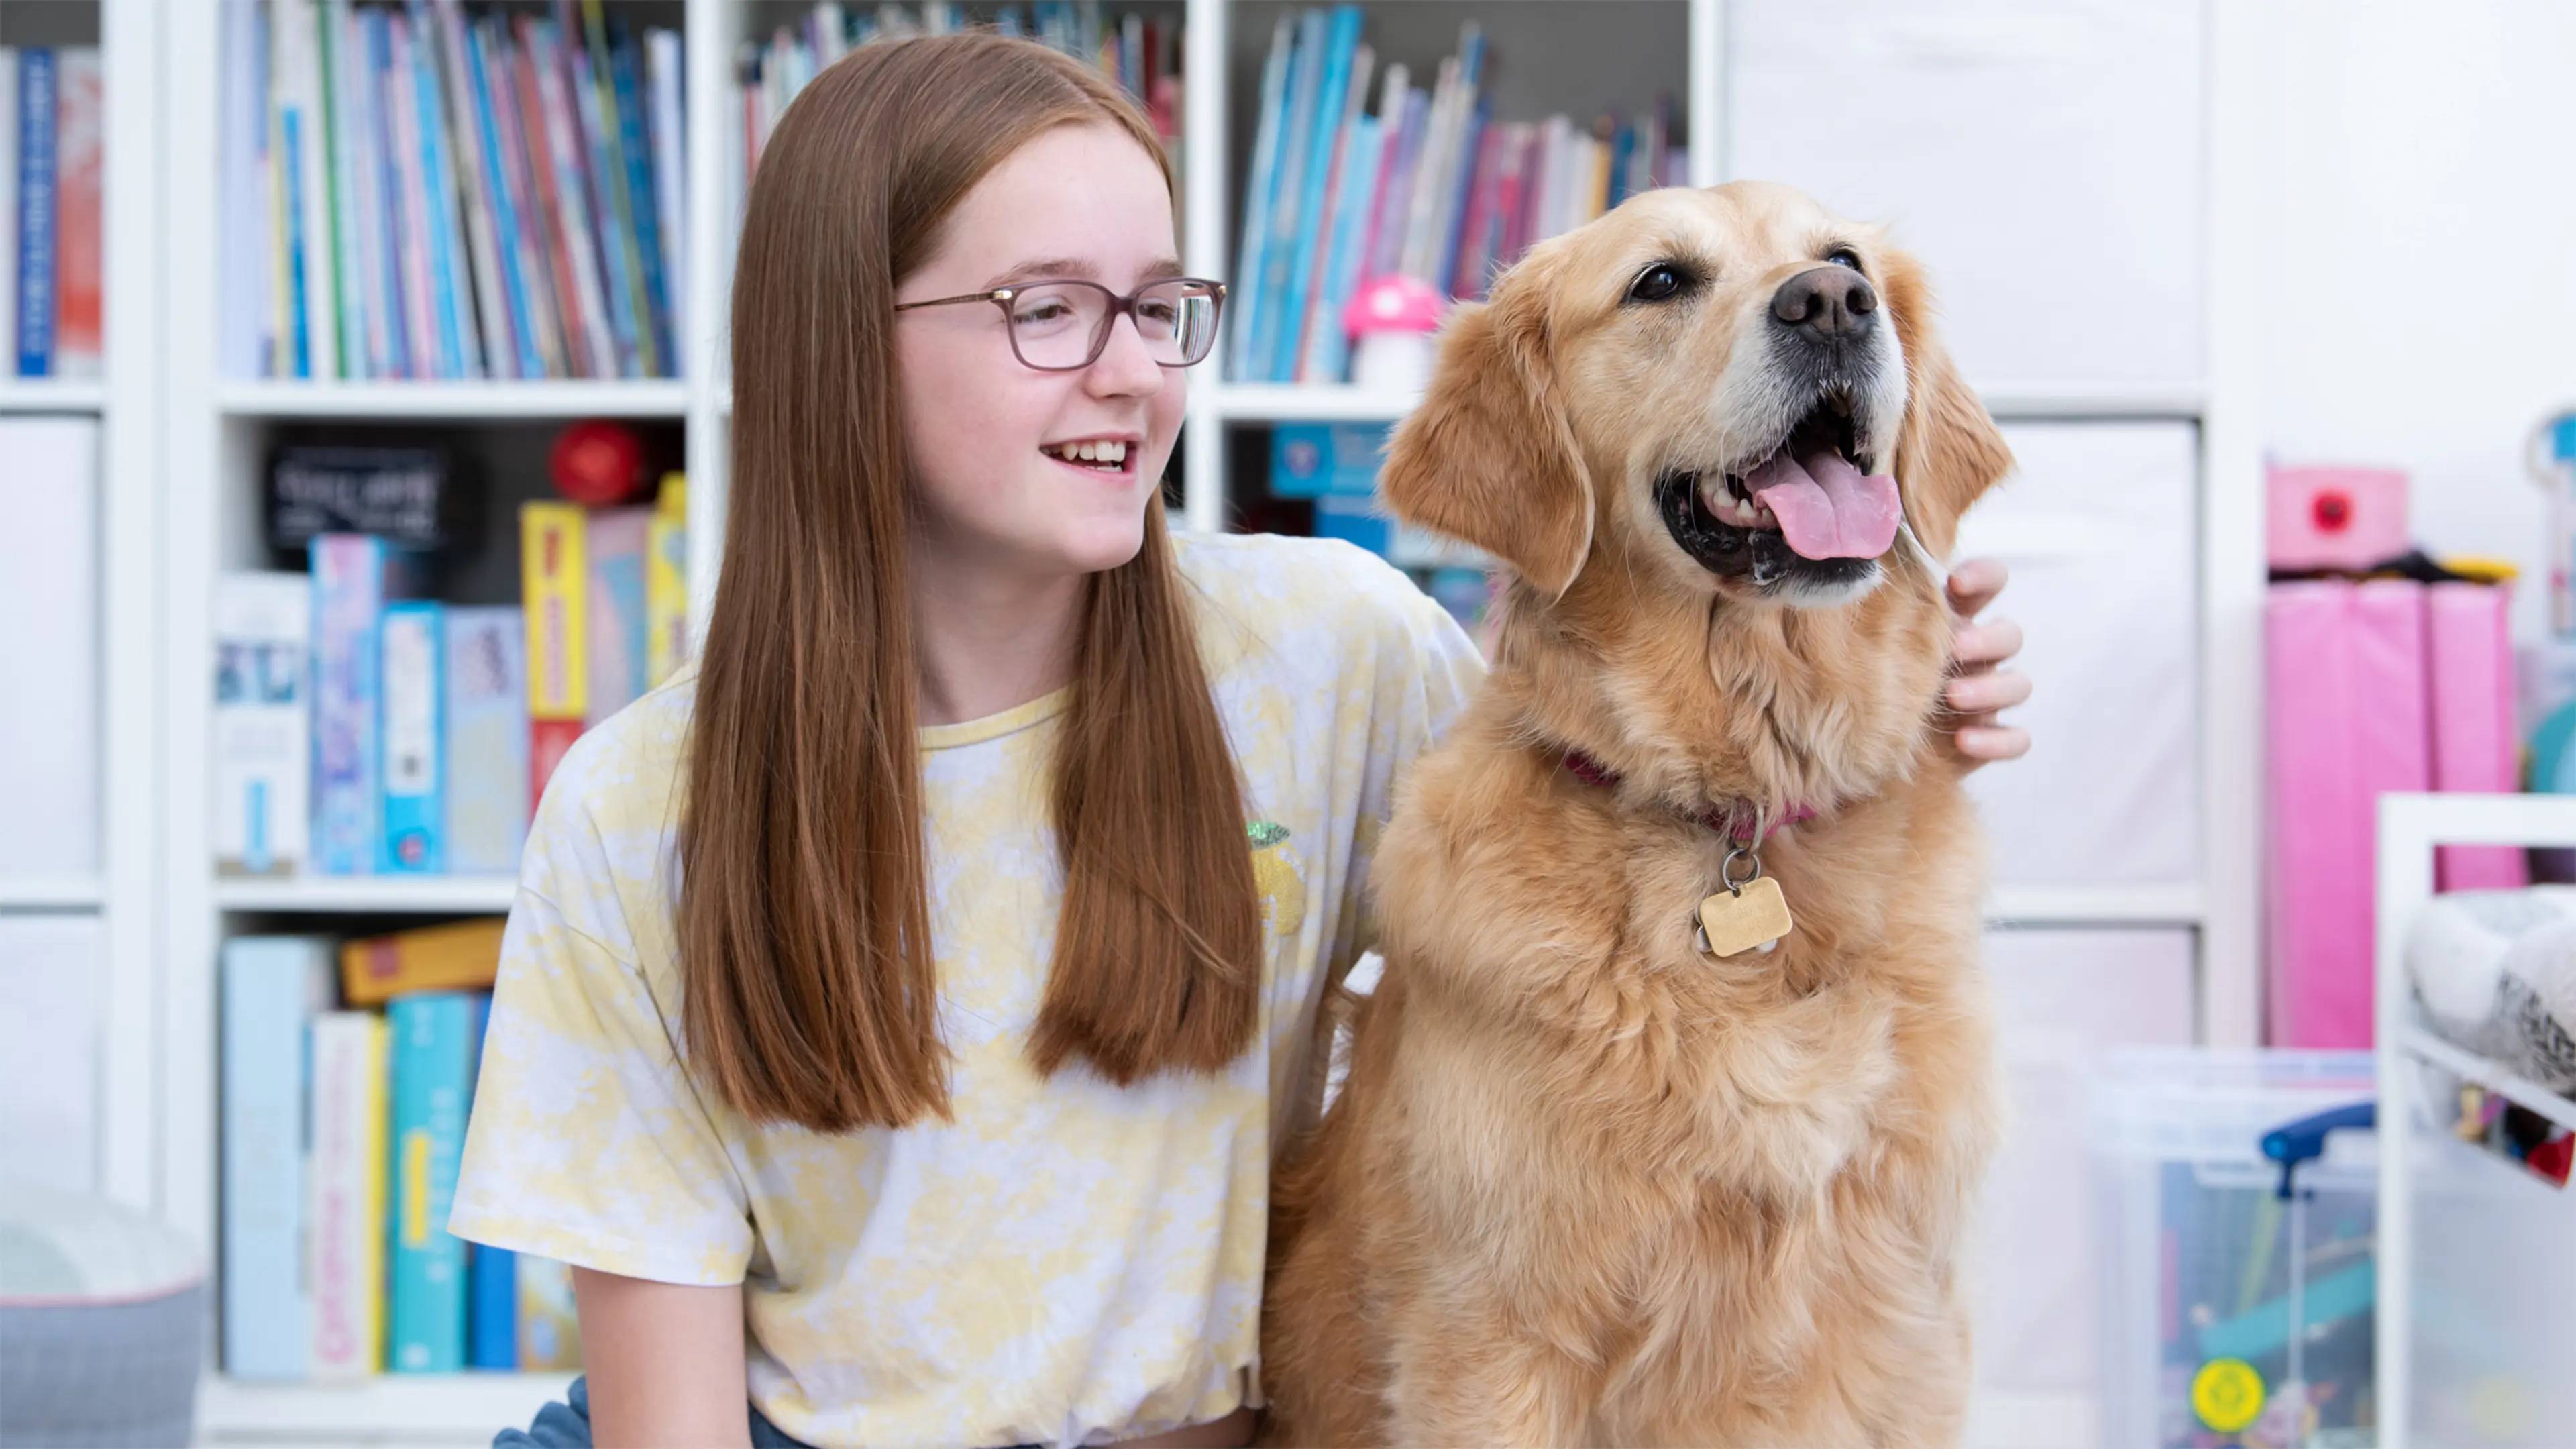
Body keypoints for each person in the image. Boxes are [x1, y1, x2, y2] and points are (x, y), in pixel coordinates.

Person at [453, 30, 2033, 1449]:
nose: (1132, 371)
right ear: (839, 343)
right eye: (1046, 310)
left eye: (1158, 308)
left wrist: (1882, 718)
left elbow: (1636, 814)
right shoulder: (636, 810)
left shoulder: (1320, 658)